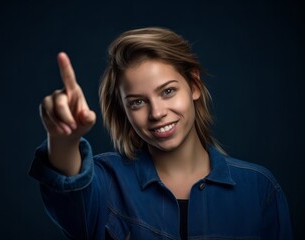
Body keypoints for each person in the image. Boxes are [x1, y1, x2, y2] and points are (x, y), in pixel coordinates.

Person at [29, 27, 293, 239]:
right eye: (137, 102)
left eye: (168, 91)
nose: (156, 113)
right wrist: (63, 138)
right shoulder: (106, 181)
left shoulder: (259, 189)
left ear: (194, 85)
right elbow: (71, 197)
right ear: (124, 110)